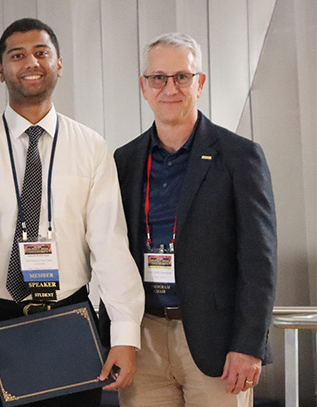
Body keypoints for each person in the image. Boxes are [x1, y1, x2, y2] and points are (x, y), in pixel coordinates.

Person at [0, 17, 144, 407]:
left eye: (41, 53)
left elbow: (110, 245)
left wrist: (124, 335)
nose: (30, 62)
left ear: (59, 64)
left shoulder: (91, 147)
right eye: (17, 55)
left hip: (70, 324)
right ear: (1, 70)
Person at [101, 32, 277, 407]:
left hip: (217, 345)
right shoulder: (124, 160)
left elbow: (259, 261)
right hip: (143, 338)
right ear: (144, 87)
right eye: (158, 77)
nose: (170, 87)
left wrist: (249, 345)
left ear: (200, 83)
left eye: (182, 76)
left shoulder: (239, 156)